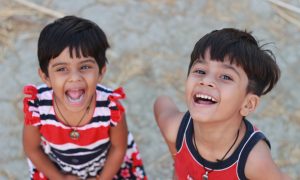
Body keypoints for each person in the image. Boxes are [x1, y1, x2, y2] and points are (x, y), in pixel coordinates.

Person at [154, 28, 289, 180]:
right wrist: (176, 157)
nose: (206, 80)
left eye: (225, 76)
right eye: (200, 71)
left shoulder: (254, 160)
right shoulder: (175, 129)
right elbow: (161, 103)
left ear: (248, 105)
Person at [23, 15, 147, 180]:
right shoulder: (37, 107)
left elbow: (118, 148)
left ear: (101, 72)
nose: (75, 78)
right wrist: (61, 178)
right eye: (61, 69)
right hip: (56, 168)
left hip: (106, 167)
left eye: (85, 66)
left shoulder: (111, 108)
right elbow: (32, 149)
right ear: (46, 77)